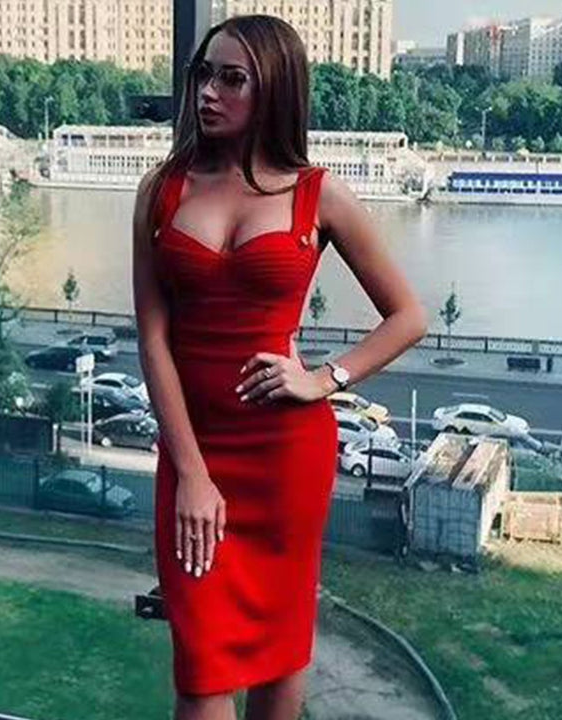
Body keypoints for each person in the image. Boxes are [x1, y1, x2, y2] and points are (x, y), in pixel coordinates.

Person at [132, 13, 428, 720]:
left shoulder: (318, 194)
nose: (209, 91)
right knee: (201, 672)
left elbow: (408, 316)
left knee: (279, 656)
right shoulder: (163, 189)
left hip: (286, 459)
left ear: (275, 89)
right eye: (204, 74)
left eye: (232, 78)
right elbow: (152, 339)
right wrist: (192, 474)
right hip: (195, 455)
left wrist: (324, 379)